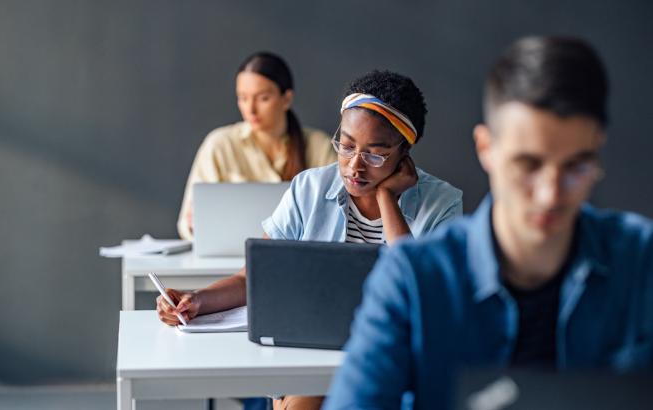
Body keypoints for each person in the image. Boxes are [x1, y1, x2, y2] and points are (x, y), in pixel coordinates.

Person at [324, 36, 653, 410]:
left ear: (597, 147)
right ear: (486, 149)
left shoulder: (642, 261)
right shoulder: (413, 278)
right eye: (528, 165)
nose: (549, 194)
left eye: (576, 166)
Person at [158, 70, 463, 409]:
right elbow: (255, 279)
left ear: (405, 152)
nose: (354, 167)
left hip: (393, 355)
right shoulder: (309, 189)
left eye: (375, 154)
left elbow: (421, 291)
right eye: (346, 146)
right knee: (313, 389)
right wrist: (197, 301)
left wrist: (388, 200)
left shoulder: (443, 204)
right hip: (312, 353)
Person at [177, 51, 336, 240]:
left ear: (286, 98)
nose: (250, 109)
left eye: (263, 98)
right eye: (243, 98)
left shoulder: (319, 146)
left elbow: (340, 212)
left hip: (301, 258)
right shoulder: (219, 145)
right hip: (229, 257)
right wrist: (195, 225)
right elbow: (185, 226)